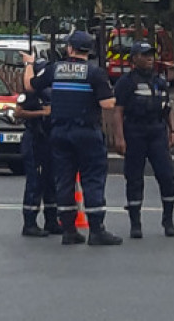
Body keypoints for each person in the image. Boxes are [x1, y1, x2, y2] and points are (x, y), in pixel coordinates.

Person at [23, 31, 121, 246]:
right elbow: (108, 104)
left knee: (64, 179)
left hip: (59, 133)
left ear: (69, 48)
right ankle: (96, 230)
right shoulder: (95, 73)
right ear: (90, 50)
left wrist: (29, 63)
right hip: (86, 132)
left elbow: (30, 85)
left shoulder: (54, 69)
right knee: (93, 178)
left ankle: (69, 230)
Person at [112, 41, 174, 238]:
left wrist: (173, 131)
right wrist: (119, 137)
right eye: (145, 55)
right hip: (135, 131)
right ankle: (135, 223)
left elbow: (167, 108)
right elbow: (118, 111)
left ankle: (168, 220)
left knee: (167, 176)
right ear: (134, 59)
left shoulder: (160, 81)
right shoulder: (126, 82)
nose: (150, 58)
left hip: (157, 131)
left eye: (151, 54)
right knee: (133, 177)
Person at [15, 59, 61, 237]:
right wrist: (42, 113)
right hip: (35, 139)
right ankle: (30, 222)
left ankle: (51, 220)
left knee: (52, 182)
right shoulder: (30, 94)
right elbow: (18, 112)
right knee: (35, 182)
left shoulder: (53, 92)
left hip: (50, 140)